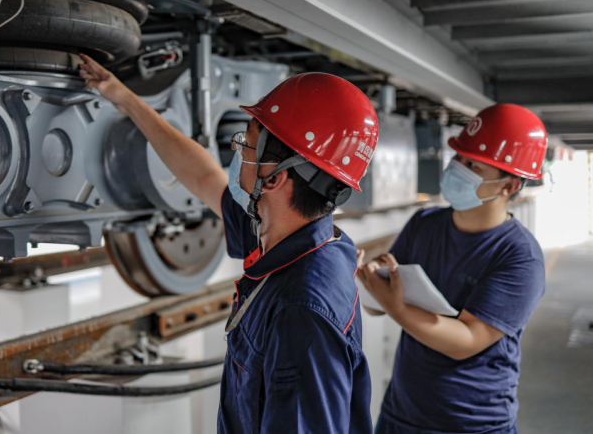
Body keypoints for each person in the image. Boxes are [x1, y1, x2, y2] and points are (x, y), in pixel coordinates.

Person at [79, 53, 378, 433]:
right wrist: (127, 100)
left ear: (275, 178)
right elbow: (203, 176)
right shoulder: (294, 235)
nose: (237, 153)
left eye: (246, 146)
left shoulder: (300, 312)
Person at [357, 104, 548, 434]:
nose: (457, 168)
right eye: (459, 157)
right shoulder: (424, 223)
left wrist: (395, 306)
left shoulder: (519, 256)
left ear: (509, 186)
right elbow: (380, 301)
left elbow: (466, 340)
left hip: (470, 423)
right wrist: (374, 279)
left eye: (472, 164)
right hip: (400, 414)